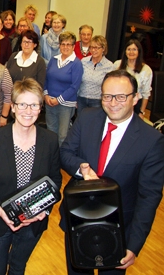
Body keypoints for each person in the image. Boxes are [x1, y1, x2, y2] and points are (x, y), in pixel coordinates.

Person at [60, 70, 164, 275]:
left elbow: (149, 197)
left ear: (135, 98)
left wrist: (134, 245)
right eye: (107, 96)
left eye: (121, 96)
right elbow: (65, 152)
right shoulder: (87, 118)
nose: (113, 102)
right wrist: (82, 168)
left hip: (118, 229)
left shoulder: (151, 140)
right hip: (77, 218)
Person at [0, 78, 61, 275]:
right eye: (22, 104)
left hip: (33, 223)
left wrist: (41, 210)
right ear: (12, 107)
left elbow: (55, 181)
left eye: (34, 105)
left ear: (40, 108)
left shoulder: (50, 140)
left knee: (18, 269)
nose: (28, 111)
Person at [44, 32, 83, 145]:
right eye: (63, 44)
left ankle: (61, 160)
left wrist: (58, 100)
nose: (65, 47)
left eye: (68, 44)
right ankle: (51, 157)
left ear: (73, 46)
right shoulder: (53, 59)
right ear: (59, 45)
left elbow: (75, 86)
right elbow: (46, 79)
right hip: (49, 101)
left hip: (65, 104)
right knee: (50, 132)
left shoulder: (76, 63)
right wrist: (46, 95)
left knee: (62, 135)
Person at [113, 39, 152, 120]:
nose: (131, 52)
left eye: (134, 49)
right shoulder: (117, 64)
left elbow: (146, 93)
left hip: (135, 104)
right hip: (117, 101)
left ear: (139, 52)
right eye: (129, 49)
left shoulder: (146, 69)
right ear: (125, 51)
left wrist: (142, 112)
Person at [77, 35, 114, 115]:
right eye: (91, 47)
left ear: (103, 49)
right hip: (81, 98)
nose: (93, 50)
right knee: (80, 123)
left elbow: (110, 86)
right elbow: (78, 80)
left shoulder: (109, 66)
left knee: (94, 124)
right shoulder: (84, 61)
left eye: (97, 48)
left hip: (97, 100)